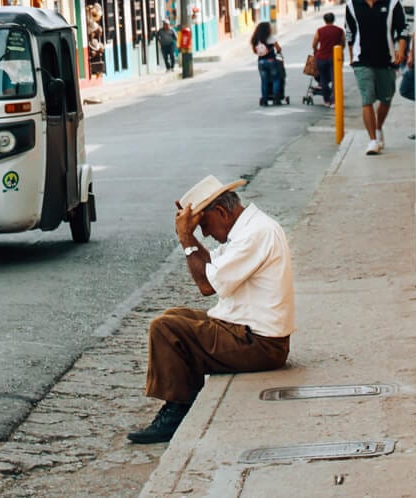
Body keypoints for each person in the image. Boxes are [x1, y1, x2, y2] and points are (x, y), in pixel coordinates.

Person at [126, 176, 294, 444]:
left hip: (260, 344)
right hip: (245, 331)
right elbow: (210, 268)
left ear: (221, 212)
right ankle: (183, 397)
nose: (205, 233)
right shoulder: (249, 228)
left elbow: (205, 285)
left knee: (165, 328)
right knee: (174, 316)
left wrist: (185, 238)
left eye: (204, 225)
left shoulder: (254, 234)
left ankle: (177, 409)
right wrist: (189, 236)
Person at [345, 0, 408, 155]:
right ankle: (372, 140)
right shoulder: (352, 5)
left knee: (386, 97)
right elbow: (349, 33)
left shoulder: (392, 2)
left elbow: (402, 29)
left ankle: (378, 127)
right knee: (366, 99)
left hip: (386, 58)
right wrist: (351, 57)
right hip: (362, 59)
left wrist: (401, 50)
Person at [311, 12, 345, 108]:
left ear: (324, 20)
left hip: (321, 58)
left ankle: (326, 100)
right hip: (335, 58)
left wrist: (316, 52)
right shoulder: (339, 31)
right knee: (335, 80)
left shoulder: (320, 30)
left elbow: (314, 44)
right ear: (333, 20)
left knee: (323, 80)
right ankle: (334, 101)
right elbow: (343, 43)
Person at [250, 22, 282, 107]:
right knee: (276, 79)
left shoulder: (256, 39)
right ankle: (276, 99)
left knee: (264, 81)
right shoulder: (271, 38)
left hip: (261, 62)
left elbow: (255, 51)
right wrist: (278, 51)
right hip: (271, 60)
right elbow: (278, 48)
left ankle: (264, 100)